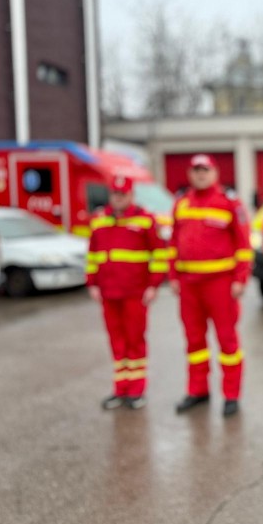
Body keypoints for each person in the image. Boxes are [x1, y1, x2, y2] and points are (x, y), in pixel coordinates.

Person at [168, 154, 253, 417]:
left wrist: (240, 278)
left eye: (205, 169)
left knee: (227, 340)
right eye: (196, 170)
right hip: (189, 285)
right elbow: (173, 242)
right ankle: (198, 390)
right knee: (194, 341)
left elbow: (243, 244)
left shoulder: (229, 202)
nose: (200, 174)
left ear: (215, 172)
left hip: (220, 283)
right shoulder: (181, 203)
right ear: (190, 174)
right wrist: (173, 276)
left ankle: (231, 395)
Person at [87, 175, 168, 410]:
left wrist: (153, 285)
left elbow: (159, 254)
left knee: (135, 340)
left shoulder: (145, 220)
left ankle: (136, 390)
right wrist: (92, 283)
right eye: (115, 194)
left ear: (131, 195)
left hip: (135, 292)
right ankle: (120, 389)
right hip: (108, 292)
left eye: (123, 194)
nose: (118, 198)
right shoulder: (99, 220)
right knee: (116, 342)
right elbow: (92, 254)